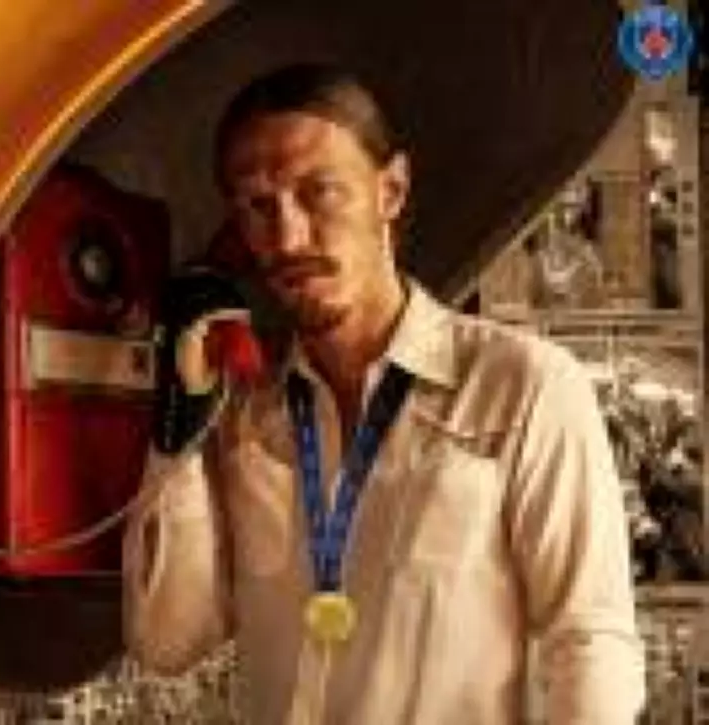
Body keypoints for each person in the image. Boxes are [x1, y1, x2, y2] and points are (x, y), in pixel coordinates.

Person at [122, 63, 646, 724]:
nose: (288, 238)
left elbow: (591, 646)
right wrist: (180, 426)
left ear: (390, 190)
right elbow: (168, 642)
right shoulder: (241, 417)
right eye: (258, 206)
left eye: (319, 192)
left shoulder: (523, 387)